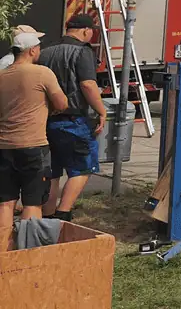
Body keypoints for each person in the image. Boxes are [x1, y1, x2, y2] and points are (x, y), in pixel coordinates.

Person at [38, 13, 108, 220]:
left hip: (47, 120)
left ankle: (48, 215)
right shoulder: (82, 52)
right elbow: (88, 84)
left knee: (52, 171)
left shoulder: (46, 51)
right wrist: (101, 111)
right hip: (73, 121)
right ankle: (63, 213)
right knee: (82, 168)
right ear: (86, 31)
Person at [0, 29, 67, 226]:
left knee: (5, 202)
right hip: (33, 146)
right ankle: (27, 251)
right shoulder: (42, 73)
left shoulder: (2, 76)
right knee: (32, 202)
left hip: (3, 146)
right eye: (38, 47)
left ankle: (3, 250)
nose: (40, 51)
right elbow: (62, 103)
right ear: (30, 51)